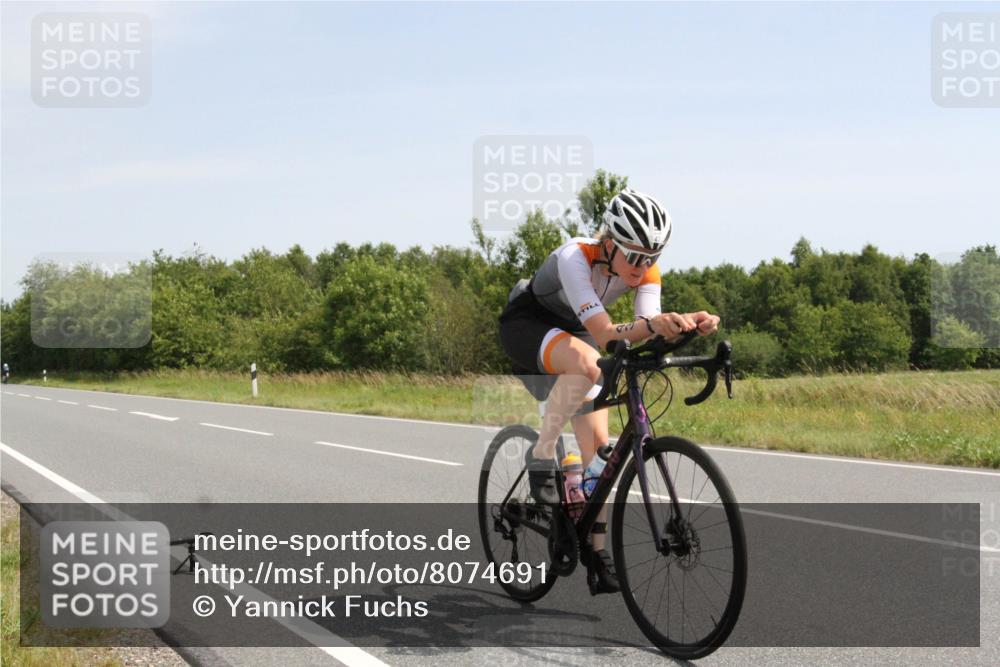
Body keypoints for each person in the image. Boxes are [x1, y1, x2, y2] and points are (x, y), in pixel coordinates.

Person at [497, 188, 720, 593]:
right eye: (634, 256)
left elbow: (645, 326)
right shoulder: (575, 257)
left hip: (578, 335)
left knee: (601, 454)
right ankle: (541, 452)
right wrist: (653, 326)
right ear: (611, 242)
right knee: (586, 362)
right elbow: (603, 334)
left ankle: (595, 554)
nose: (642, 267)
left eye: (652, 258)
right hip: (528, 323)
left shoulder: (646, 271)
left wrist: (684, 324)